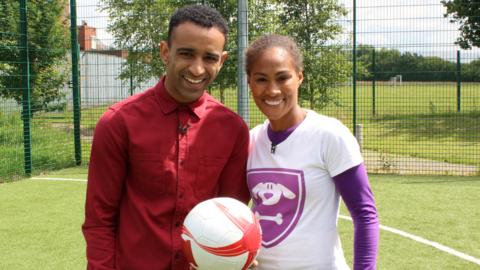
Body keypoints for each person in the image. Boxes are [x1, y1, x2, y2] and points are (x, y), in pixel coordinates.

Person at [82, 5, 251, 270]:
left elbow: (232, 221)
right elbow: (99, 219)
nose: (197, 69)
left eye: (209, 57)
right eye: (186, 54)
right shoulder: (118, 122)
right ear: (165, 52)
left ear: (222, 61)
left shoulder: (234, 131)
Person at [245, 34, 379, 270]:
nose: (273, 90)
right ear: (250, 83)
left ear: (299, 77)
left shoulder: (329, 135)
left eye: (283, 77)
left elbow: (364, 214)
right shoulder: (252, 139)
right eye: (261, 79)